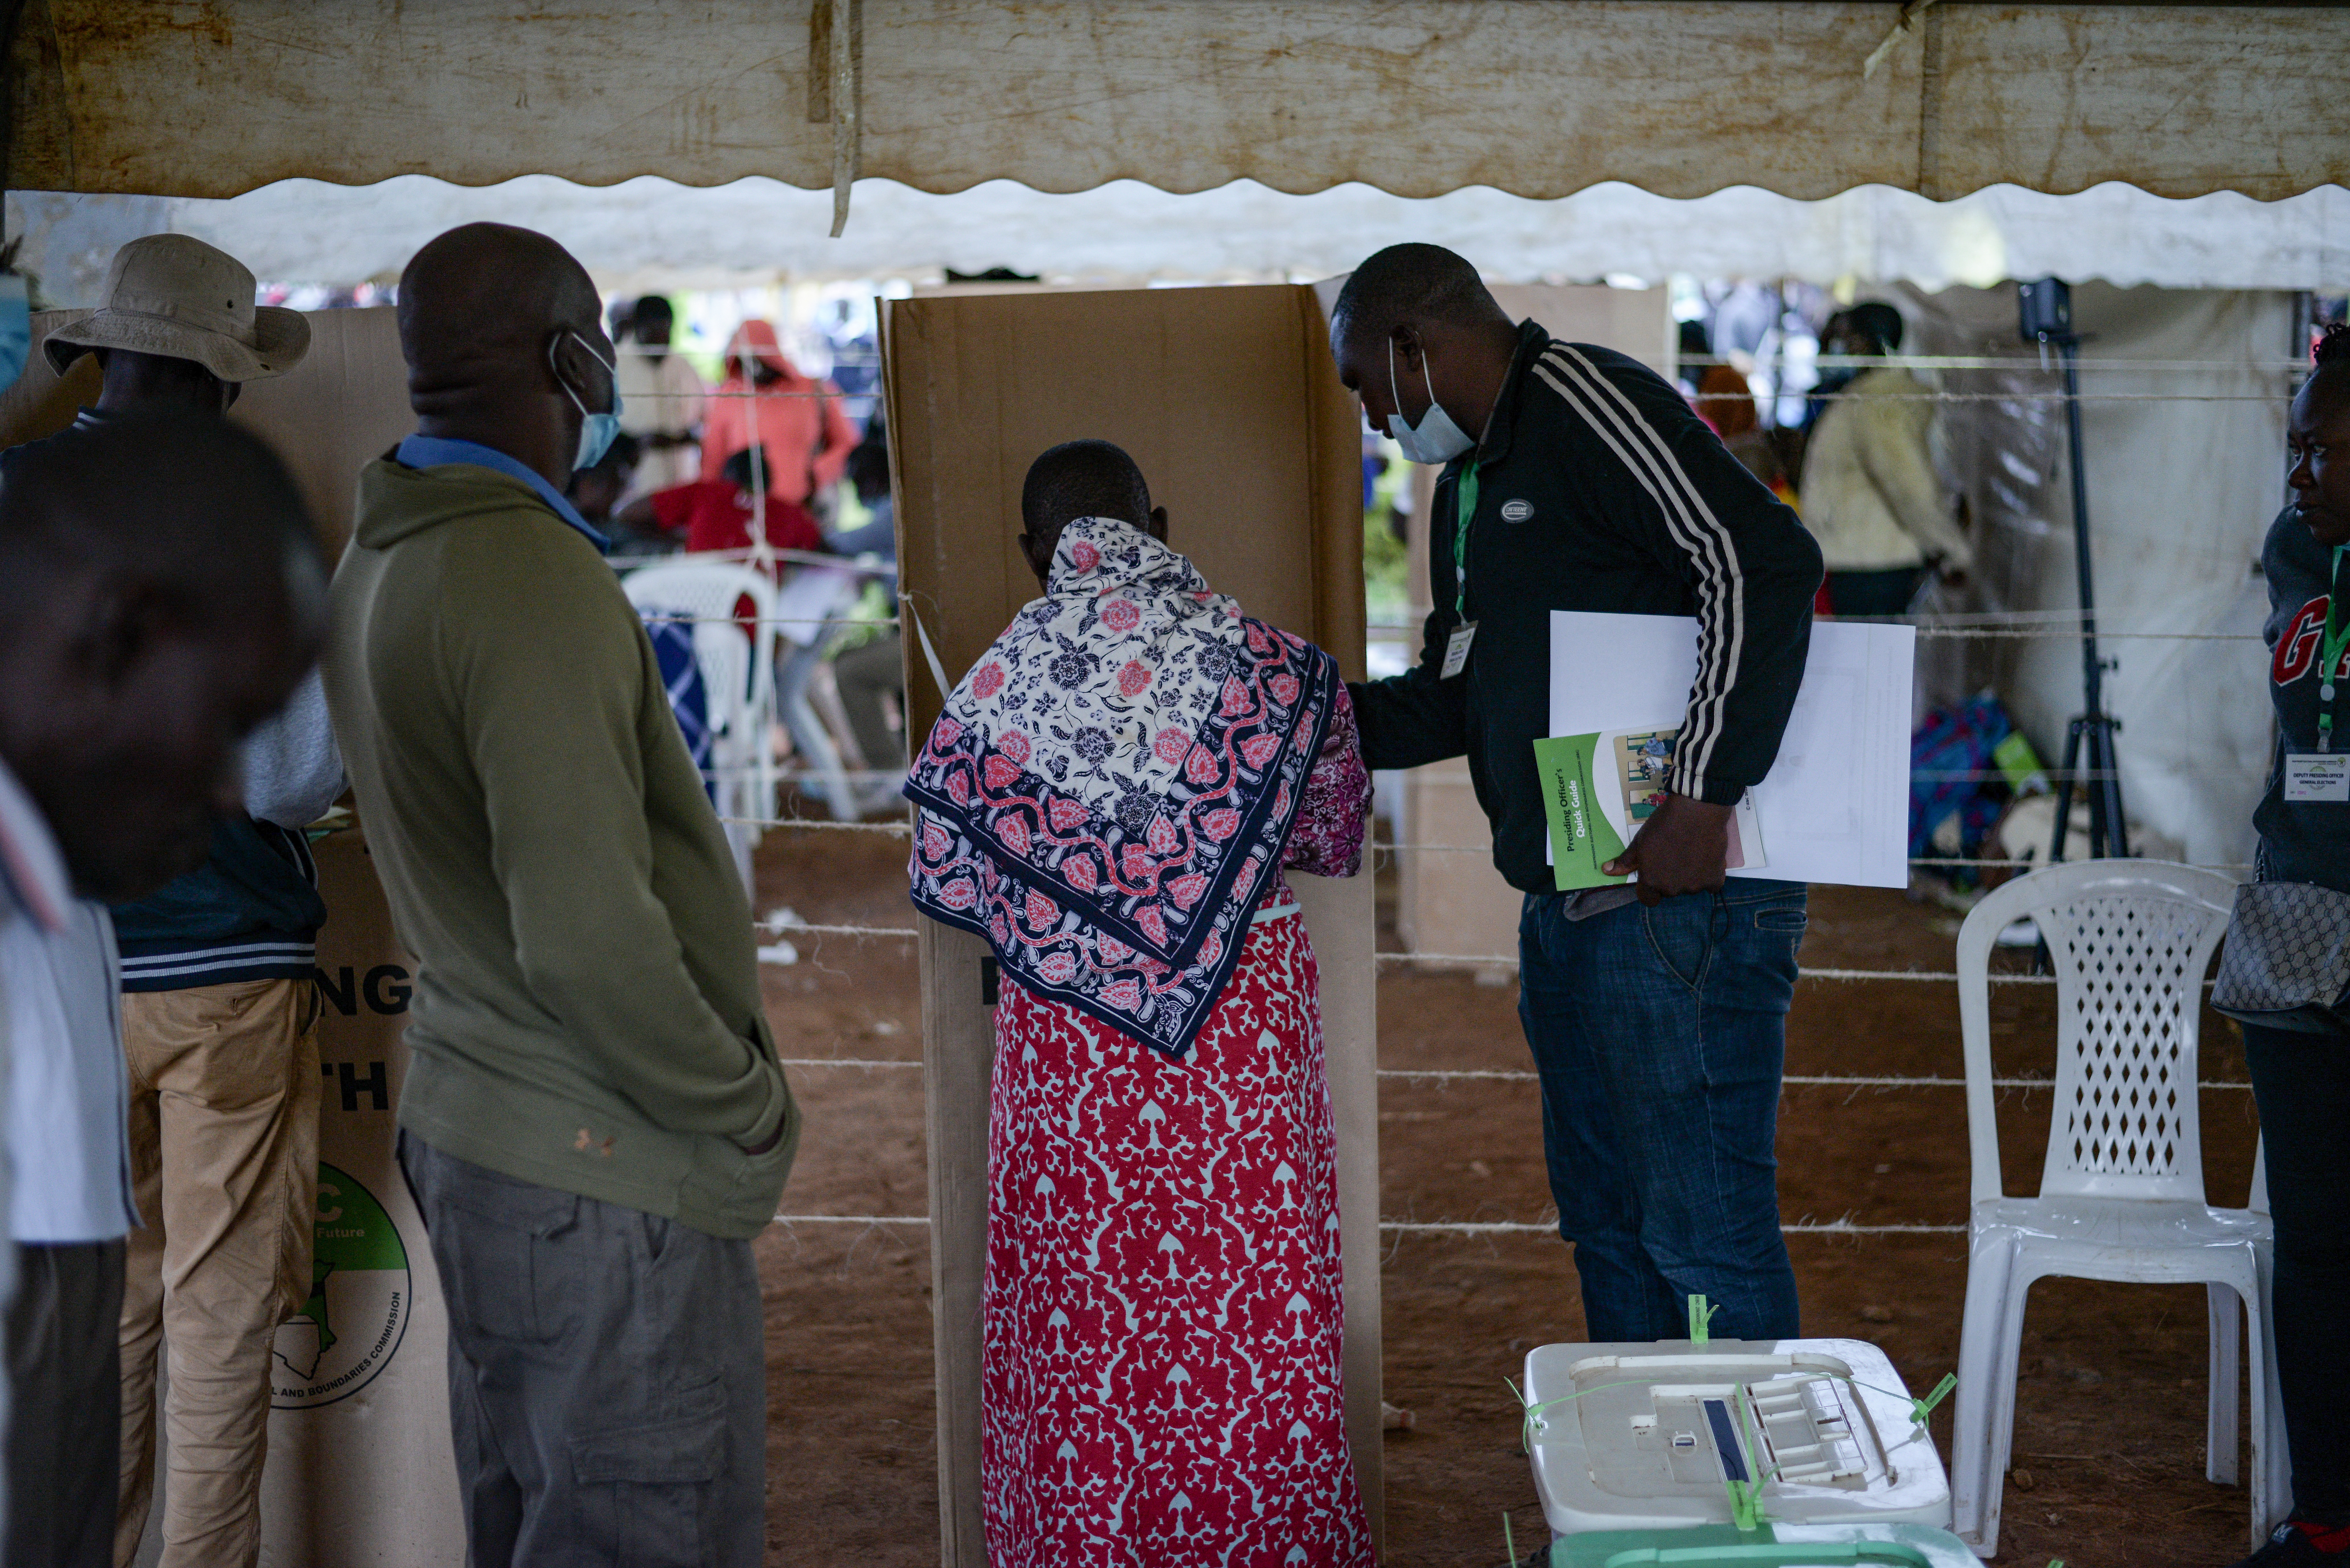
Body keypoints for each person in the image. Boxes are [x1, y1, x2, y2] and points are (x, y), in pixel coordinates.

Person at [323, 223, 798, 1568]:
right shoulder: (521, 572)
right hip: (598, 1152)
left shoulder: (392, 549)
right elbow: (586, 932)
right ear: (571, 355)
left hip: (492, 1125)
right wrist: (741, 1103)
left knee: (542, 1509)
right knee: (640, 1523)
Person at [1329, 244, 1822, 1343]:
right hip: (1568, 897)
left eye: (1363, 382)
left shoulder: (1586, 401)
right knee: (1605, 1225)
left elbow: (1762, 563)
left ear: (1413, 346)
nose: (1368, 417)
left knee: (1701, 1232)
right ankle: (1648, 1496)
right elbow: (1452, 698)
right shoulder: (1462, 490)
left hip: (1675, 900)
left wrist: (1700, 792)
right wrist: (1303, 718)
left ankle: (1742, 1516)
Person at [906, 441, 1376, 1567]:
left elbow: (946, 872)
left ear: (1035, 554)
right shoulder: (1273, 665)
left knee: (1085, 1306)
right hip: (1242, 1029)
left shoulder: (997, 681)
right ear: (1156, 522)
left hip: (1071, 1048)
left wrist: (1083, 924)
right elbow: (1329, 829)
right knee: (1251, 1295)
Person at [5, 233, 340, 1568]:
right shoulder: (235, 522)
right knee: (220, 1309)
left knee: (108, 1301)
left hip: (55, 988)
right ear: (218, 380)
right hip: (228, 964)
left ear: (105, 355)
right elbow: (293, 773)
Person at [2223, 322, 2350, 1568]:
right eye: (2293, 443)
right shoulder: (2295, 549)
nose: (2298, 468)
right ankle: (2323, 1518)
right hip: (2300, 921)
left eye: (2317, 446)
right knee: (2311, 1246)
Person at [1797, 301, 1971, 617]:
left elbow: (1906, 484)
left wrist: (1951, 550)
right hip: (1863, 562)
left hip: (1871, 569)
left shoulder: (1879, 402)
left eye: (1849, 338)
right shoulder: (1868, 396)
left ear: (1872, 341)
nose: (1843, 348)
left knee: (1868, 661)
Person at [698, 319, 856, 515]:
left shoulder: (814, 390)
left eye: (758, 358)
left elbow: (848, 443)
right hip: (748, 516)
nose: (753, 367)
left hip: (808, 511)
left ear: (773, 352)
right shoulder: (729, 398)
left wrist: (817, 473)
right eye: (744, 360)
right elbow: (712, 463)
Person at [616, 443, 826, 558]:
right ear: (769, 484)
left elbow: (626, 513)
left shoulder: (707, 492)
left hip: (692, 609)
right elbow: (827, 555)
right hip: (753, 624)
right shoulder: (790, 513)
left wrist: (682, 540)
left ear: (726, 478)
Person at [614, 294, 705, 495]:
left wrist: (688, 436)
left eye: (666, 334)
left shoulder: (682, 366)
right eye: (653, 334)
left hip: (680, 483)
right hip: (633, 490)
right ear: (636, 327)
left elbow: (703, 417)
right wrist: (637, 442)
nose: (661, 343)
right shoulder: (615, 366)